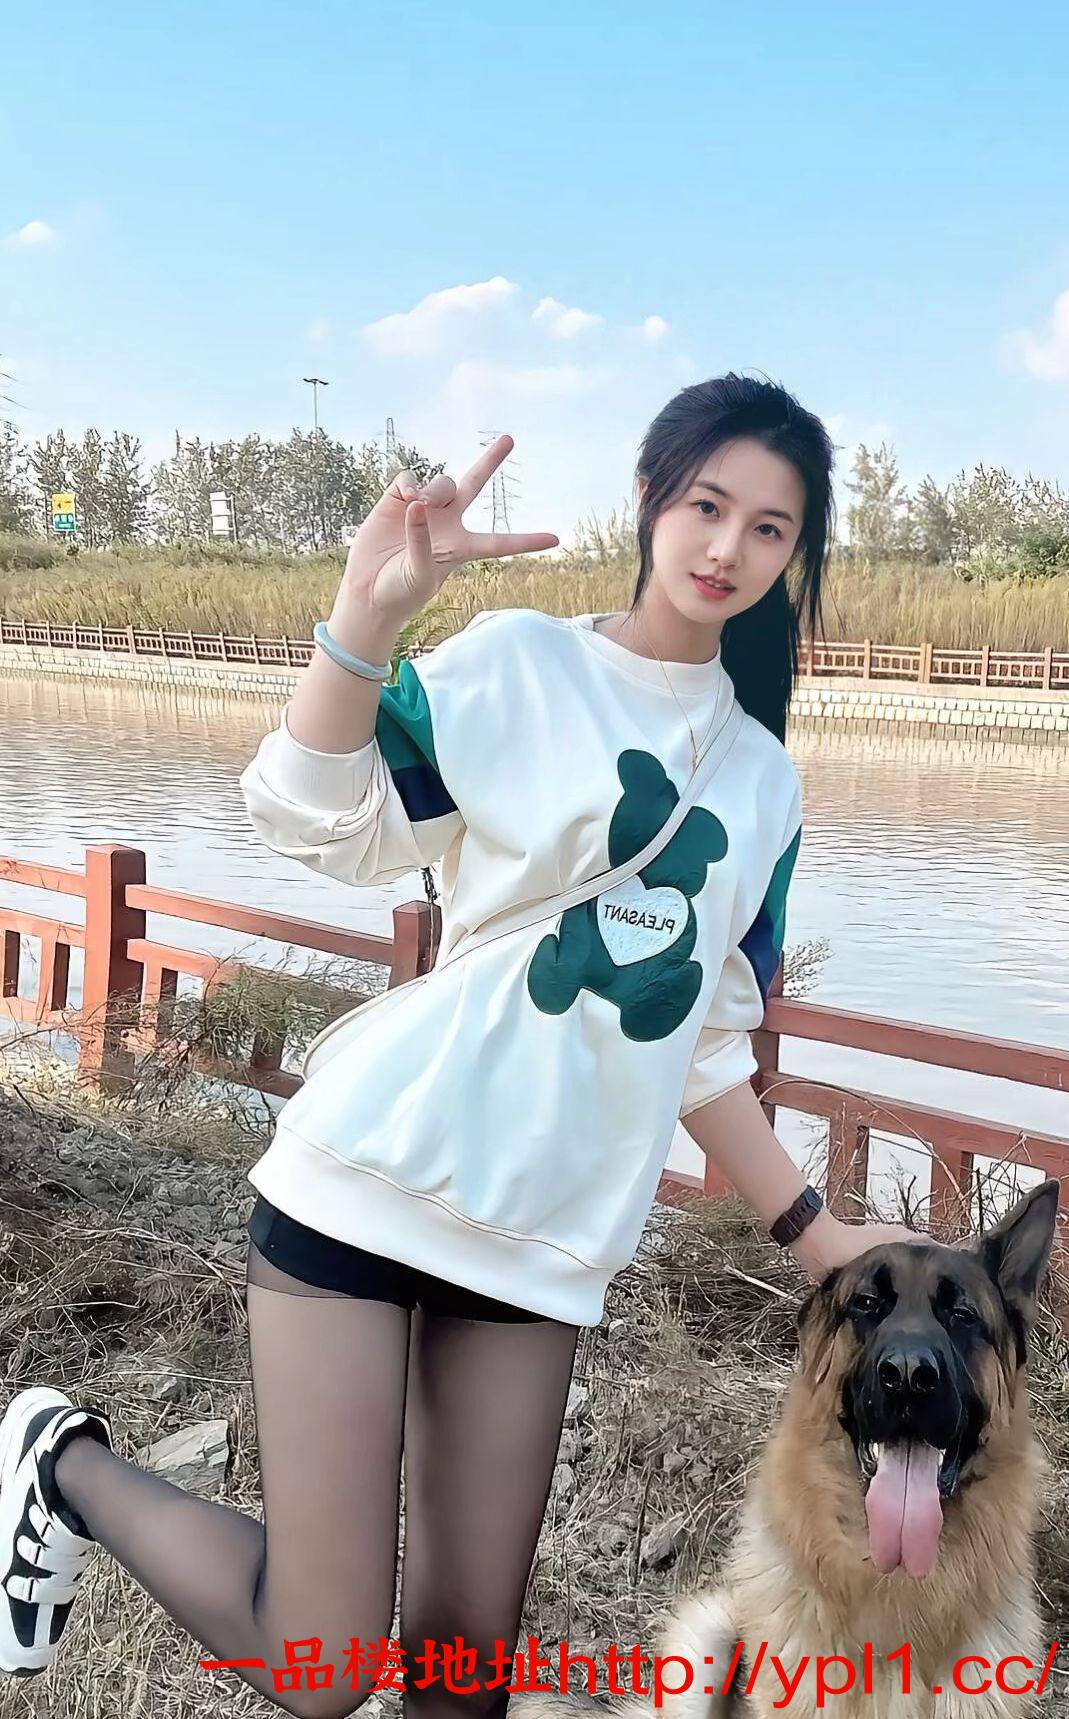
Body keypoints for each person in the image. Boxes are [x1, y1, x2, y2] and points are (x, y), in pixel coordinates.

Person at [0, 375, 919, 1714]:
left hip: (540, 1237)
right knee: (324, 1663)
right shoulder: (520, 664)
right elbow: (316, 814)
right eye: (706, 505)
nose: (727, 547)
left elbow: (702, 1043)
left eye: (769, 529)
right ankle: (59, 1466)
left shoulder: (762, 785)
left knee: (461, 1668)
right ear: (650, 500)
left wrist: (817, 1235)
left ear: (796, 555)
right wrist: (366, 615)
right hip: (370, 1176)